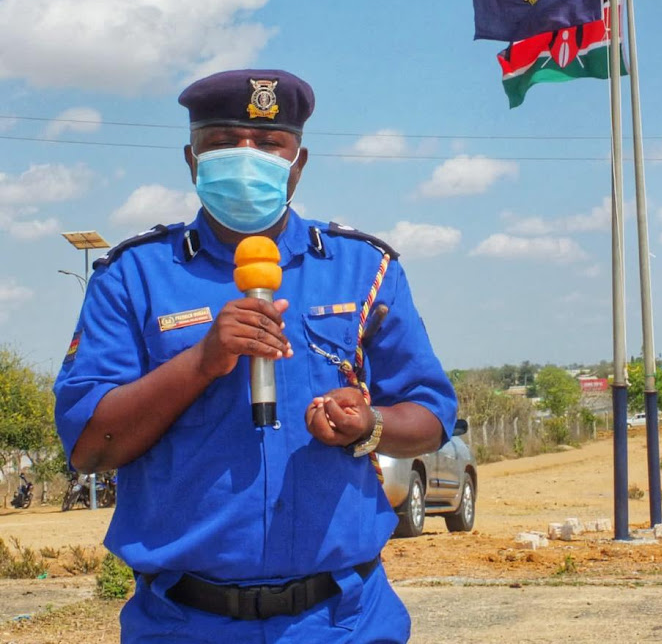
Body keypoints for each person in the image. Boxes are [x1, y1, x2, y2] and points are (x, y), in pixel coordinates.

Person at [54, 69, 457, 643]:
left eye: (268, 144)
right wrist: (201, 361)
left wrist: (370, 425)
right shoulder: (132, 277)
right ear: (192, 159)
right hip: (184, 622)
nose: (246, 158)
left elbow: (432, 415)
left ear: (299, 161)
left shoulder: (365, 268)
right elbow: (92, 446)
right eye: (222, 142)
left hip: (343, 620)